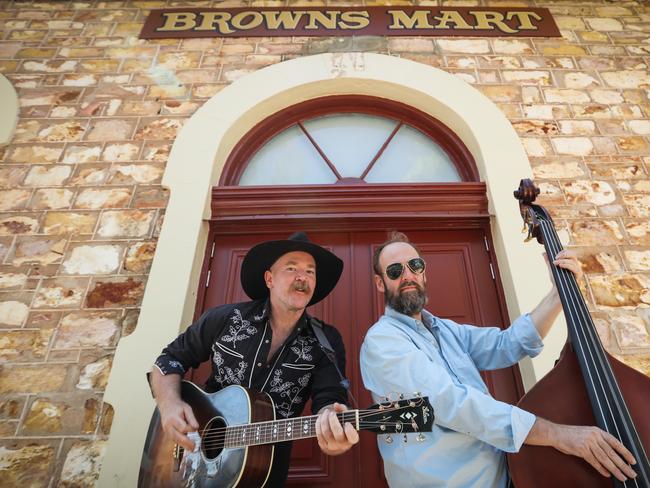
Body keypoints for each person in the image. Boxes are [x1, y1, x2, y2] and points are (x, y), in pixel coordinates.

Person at [360, 231, 637, 488]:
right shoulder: (383, 341)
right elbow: (448, 402)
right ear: (379, 282)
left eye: (415, 266)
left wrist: (558, 294)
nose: (408, 275)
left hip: (503, 477)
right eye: (395, 271)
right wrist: (558, 435)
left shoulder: (444, 330)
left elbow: (507, 345)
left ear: (424, 273)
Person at [150, 232, 359, 487]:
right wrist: (169, 405)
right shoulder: (226, 319)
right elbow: (169, 360)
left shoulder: (325, 341)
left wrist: (333, 427)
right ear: (269, 279)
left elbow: (330, 400)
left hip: (264, 468)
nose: (302, 277)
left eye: (310, 272)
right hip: (192, 458)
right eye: (291, 268)